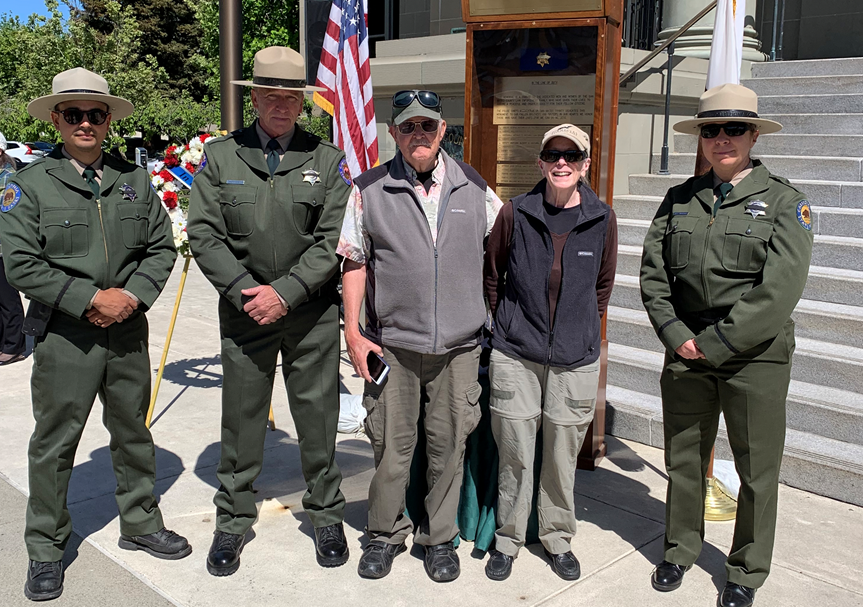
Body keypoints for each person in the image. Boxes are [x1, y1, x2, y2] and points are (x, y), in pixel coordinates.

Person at [0, 68, 190, 602]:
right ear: (55, 119)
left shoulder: (134, 181)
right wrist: (90, 299)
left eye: (96, 114)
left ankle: (140, 522)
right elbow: (20, 263)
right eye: (73, 114)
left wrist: (130, 297)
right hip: (66, 336)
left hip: (128, 330)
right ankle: (44, 548)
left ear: (109, 120)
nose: (85, 122)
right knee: (56, 443)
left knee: (133, 430)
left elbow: (160, 248)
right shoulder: (29, 186)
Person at [640, 84, 814, 607]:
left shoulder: (787, 202)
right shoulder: (679, 200)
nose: (722, 139)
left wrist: (713, 343)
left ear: (754, 134)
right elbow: (653, 276)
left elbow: (777, 292)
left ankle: (746, 569)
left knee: (756, 469)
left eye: (734, 128)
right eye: (711, 130)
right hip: (686, 350)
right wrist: (677, 337)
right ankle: (679, 548)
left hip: (753, 357)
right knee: (684, 459)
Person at [187, 46, 351, 576]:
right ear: (253, 97)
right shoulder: (222, 156)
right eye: (271, 96)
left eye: (291, 98)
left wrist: (288, 291)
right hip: (244, 313)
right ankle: (232, 521)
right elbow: (204, 233)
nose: (281, 106)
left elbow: (333, 240)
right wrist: (244, 291)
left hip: (310, 315)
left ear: (301, 103)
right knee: (240, 420)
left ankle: (325, 512)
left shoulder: (324, 159)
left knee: (318, 418)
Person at [339, 89, 502, 582]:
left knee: (448, 447)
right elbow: (354, 259)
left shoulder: (473, 187)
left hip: (458, 348)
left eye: (427, 126)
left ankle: (439, 538)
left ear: (442, 130)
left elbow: (503, 250)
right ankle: (384, 534)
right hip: (394, 347)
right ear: (394, 133)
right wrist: (354, 333)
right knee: (391, 447)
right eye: (408, 127)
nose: (418, 136)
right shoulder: (369, 188)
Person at [482, 124, 617, 581]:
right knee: (516, 452)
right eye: (553, 155)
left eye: (572, 156)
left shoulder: (603, 218)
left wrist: (578, 332)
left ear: (585, 164)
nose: (562, 163)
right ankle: (508, 538)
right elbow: (493, 276)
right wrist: (510, 328)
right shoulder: (515, 213)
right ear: (540, 162)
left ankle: (557, 537)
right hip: (516, 355)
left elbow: (602, 288)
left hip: (575, 361)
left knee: (561, 456)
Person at [0, 132, 27, 365]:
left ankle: (14, 346)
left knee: (7, 300)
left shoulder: (9, 179)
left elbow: (10, 214)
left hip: (3, 248)